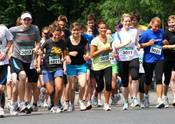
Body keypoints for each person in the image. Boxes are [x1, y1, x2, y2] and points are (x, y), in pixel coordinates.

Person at [9, 11, 41, 114]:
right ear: (21, 20)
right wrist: (5, 51)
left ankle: (13, 104)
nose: (27, 21)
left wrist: (36, 48)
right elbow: (4, 38)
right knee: (22, 77)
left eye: (29, 19)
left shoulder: (35, 29)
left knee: (19, 83)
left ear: (31, 20)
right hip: (16, 58)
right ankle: (22, 103)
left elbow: (38, 41)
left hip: (28, 60)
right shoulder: (13, 30)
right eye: (25, 19)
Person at [112, 13, 140, 110]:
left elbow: (136, 42)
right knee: (124, 83)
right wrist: (125, 43)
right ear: (122, 22)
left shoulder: (135, 31)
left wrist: (138, 45)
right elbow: (116, 46)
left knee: (135, 75)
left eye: (129, 21)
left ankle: (135, 98)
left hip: (133, 57)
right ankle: (126, 101)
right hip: (122, 59)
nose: (127, 23)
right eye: (125, 21)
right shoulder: (117, 34)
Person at [139, 17, 165, 108]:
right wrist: (148, 44)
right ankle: (146, 96)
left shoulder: (162, 32)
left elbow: (164, 41)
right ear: (151, 24)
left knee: (159, 78)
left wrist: (165, 42)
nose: (156, 28)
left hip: (159, 59)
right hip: (148, 60)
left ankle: (159, 100)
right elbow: (139, 46)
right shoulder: (146, 34)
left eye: (158, 26)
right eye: (155, 26)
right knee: (148, 79)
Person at [41, 26, 68, 113]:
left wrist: (66, 58)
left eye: (58, 35)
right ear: (52, 33)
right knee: (51, 90)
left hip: (58, 68)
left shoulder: (62, 42)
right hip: (47, 68)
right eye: (55, 35)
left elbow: (65, 53)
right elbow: (40, 51)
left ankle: (56, 106)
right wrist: (38, 59)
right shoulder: (47, 42)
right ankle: (46, 94)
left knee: (59, 88)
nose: (57, 37)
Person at [64, 22, 89, 111]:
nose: (76, 32)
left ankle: (81, 101)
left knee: (82, 84)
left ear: (80, 31)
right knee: (72, 87)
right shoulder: (67, 40)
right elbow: (63, 52)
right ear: (71, 31)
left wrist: (87, 56)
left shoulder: (84, 40)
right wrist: (69, 54)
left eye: (77, 30)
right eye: (74, 30)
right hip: (71, 65)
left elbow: (87, 51)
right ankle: (71, 104)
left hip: (82, 64)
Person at [91, 20, 113, 111]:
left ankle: (106, 104)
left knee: (108, 84)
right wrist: (102, 50)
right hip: (97, 66)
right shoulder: (95, 41)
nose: (103, 29)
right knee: (100, 86)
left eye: (104, 28)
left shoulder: (110, 38)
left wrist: (109, 49)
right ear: (98, 29)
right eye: (101, 28)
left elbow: (110, 49)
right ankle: (96, 94)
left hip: (107, 64)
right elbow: (92, 55)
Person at [0, 24, 13, 117]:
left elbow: (10, 40)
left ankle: (1, 107)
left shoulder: (3, 29)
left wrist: (5, 51)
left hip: (3, 62)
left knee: (0, 87)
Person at [163, 15, 175, 107]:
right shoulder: (164, 32)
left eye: (174, 22)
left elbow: (168, 46)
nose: (172, 24)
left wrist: (169, 46)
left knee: (173, 78)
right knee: (167, 79)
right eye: (170, 22)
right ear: (168, 23)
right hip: (167, 58)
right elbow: (162, 45)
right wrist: (165, 44)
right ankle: (165, 96)